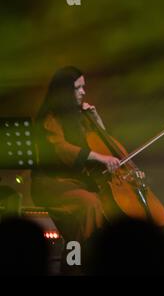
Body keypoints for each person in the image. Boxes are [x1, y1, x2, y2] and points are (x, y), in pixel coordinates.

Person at [31, 66, 121, 271]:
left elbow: (103, 144)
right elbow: (60, 149)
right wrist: (99, 157)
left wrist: (97, 121)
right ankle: (77, 265)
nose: (83, 92)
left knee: (99, 208)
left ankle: (82, 263)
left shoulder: (79, 116)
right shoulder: (50, 117)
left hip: (75, 183)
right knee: (88, 204)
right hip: (53, 186)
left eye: (84, 87)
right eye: (77, 88)